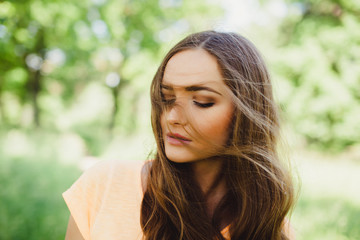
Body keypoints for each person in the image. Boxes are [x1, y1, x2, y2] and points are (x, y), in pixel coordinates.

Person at [63, 31, 296, 240]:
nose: (171, 117)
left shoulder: (271, 228)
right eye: (166, 98)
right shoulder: (104, 186)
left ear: (247, 113)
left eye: (202, 102)